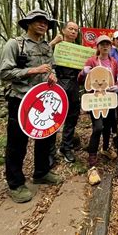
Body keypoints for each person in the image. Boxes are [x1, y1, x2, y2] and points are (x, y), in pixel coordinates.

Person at [0, 9, 62, 203]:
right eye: (38, 21)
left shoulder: (46, 46)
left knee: (46, 137)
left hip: (43, 99)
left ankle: (41, 172)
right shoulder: (15, 44)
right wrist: (32, 70)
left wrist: (53, 76)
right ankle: (16, 183)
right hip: (21, 98)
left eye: (46, 22)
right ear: (28, 23)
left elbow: (51, 69)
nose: (43, 24)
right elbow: (4, 73)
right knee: (17, 142)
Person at [78, 35, 118, 185]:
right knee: (98, 127)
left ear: (111, 46)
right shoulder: (92, 61)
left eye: (107, 44)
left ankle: (105, 148)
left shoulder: (113, 62)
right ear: (97, 46)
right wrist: (83, 72)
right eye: (102, 44)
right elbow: (80, 80)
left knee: (108, 126)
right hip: (95, 101)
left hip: (109, 100)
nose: (105, 47)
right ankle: (92, 160)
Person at [48, 21, 81, 164]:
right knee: (53, 117)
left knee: (72, 117)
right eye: (71, 29)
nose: (73, 32)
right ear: (63, 30)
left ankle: (66, 147)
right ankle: (49, 151)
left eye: (76, 30)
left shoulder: (79, 50)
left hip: (74, 85)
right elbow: (42, 57)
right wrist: (53, 43)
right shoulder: (56, 46)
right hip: (57, 83)